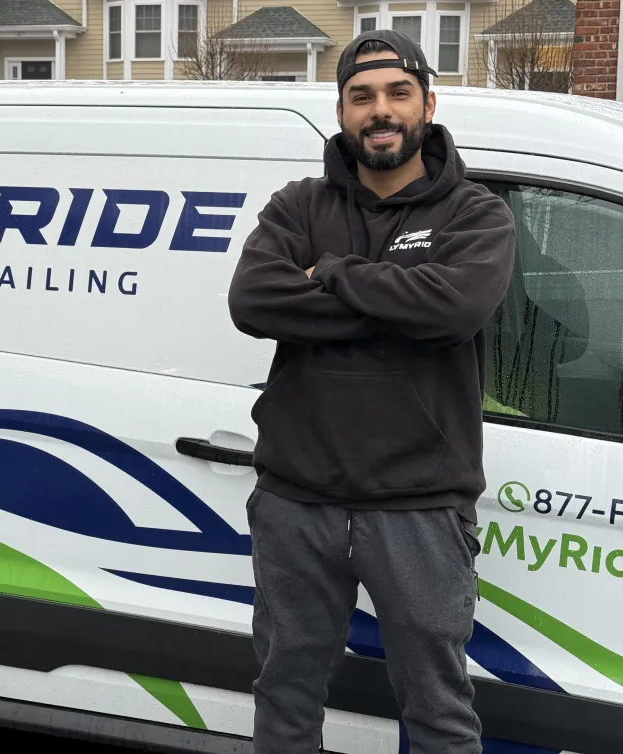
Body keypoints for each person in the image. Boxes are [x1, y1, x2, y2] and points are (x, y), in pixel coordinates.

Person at [228, 29, 517, 754]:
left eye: (396, 93)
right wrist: (401, 300)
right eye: (362, 97)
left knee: (438, 709)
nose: (379, 111)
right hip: (298, 502)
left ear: (427, 102)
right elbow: (254, 302)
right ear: (341, 111)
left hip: (418, 508)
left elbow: (453, 310)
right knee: (285, 696)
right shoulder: (298, 205)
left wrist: (329, 274)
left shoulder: (476, 215)